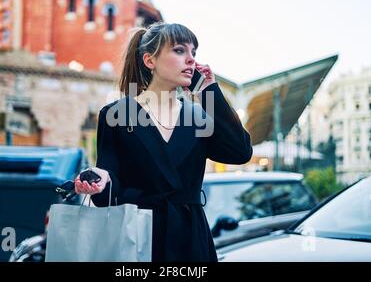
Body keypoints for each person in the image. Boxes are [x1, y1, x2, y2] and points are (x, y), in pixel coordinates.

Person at [74, 22, 253, 262]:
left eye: (193, 53)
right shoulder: (116, 114)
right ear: (150, 61)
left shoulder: (199, 115)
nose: (190, 59)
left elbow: (240, 152)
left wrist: (210, 92)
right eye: (179, 50)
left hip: (190, 239)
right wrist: (101, 181)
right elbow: (111, 182)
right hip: (137, 236)